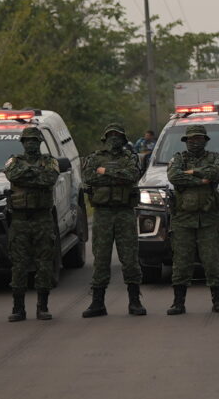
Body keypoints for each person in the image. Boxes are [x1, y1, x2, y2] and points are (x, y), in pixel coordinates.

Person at [166, 125, 219, 314]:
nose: (195, 142)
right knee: (181, 261)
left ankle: (218, 301)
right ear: (186, 141)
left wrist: (193, 172)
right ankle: (178, 303)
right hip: (183, 218)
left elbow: (218, 172)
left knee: (212, 261)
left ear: (205, 140)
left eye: (199, 138)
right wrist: (202, 180)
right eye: (192, 139)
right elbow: (174, 176)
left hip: (209, 217)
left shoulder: (214, 157)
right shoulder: (178, 158)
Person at [82, 123, 146, 318]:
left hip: (124, 212)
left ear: (124, 139)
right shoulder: (94, 158)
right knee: (101, 258)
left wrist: (105, 172)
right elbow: (89, 177)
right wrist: (115, 175)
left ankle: (134, 301)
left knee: (130, 258)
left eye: (118, 136)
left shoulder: (130, 158)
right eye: (110, 136)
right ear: (105, 138)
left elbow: (132, 176)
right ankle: (97, 302)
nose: (114, 139)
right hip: (102, 213)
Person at [5, 126, 60, 321]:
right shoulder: (14, 161)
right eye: (27, 140)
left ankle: (42, 306)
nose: (31, 144)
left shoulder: (50, 161)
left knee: (44, 264)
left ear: (40, 143)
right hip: (20, 220)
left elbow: (49, 179)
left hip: (42, 218)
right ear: (22, 143)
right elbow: (13, 175)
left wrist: (28, 175)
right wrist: (35, 173)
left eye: (34, 141)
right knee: (18, 265)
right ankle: (18, 308)